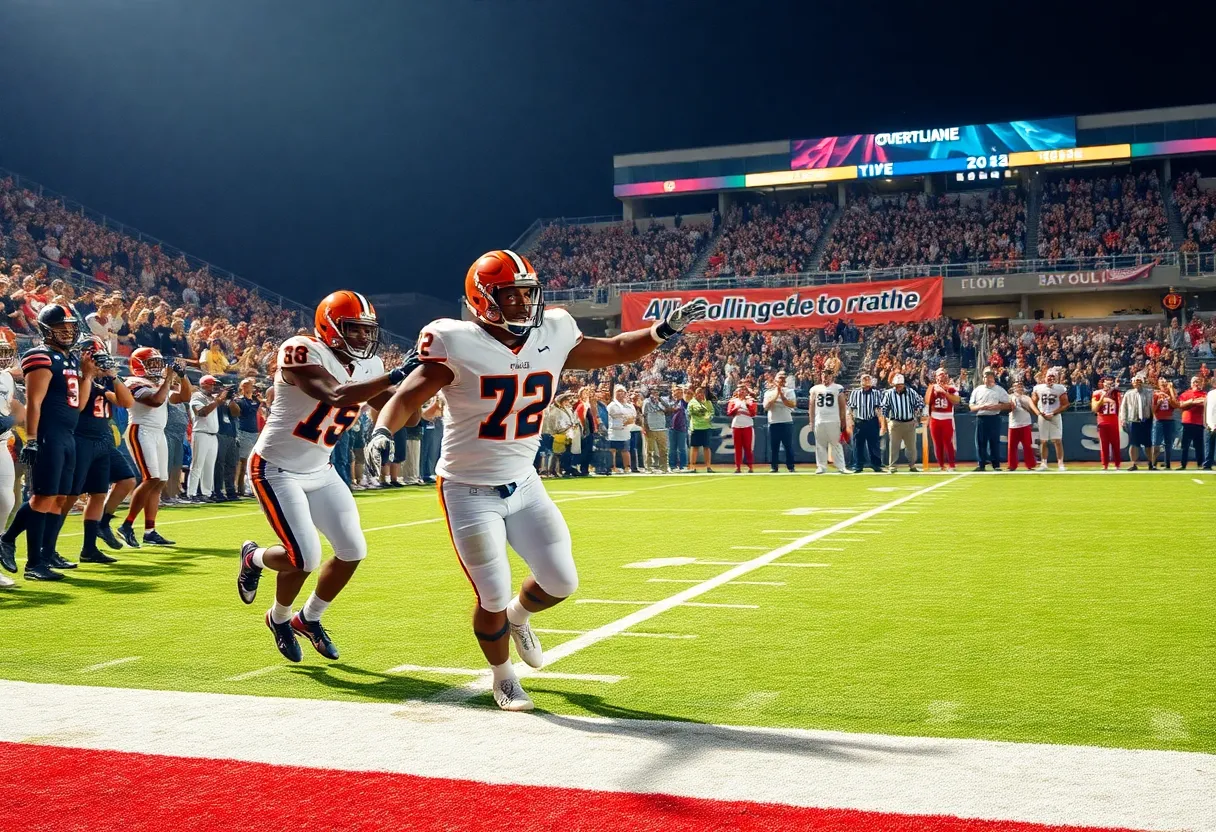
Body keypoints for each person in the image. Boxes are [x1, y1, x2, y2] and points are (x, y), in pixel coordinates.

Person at [366, 248, 707, 711]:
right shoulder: (455, 341)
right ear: (484, 299)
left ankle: (520, 617)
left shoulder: (554, 331)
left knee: (561, 581)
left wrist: (662, 330)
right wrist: (383, 430)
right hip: (468, 488)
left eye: (528, 294)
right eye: (512, 296)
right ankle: (503, 677)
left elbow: (616, 349)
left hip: (524, 482)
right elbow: (406, 395)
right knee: (490, 592)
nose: (525, 305)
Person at [236, 290, 408, 665]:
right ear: (330, 327)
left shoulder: (369, 365)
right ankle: (257, 566)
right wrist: (394, 375)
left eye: (367, 331)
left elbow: (404, 411)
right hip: (276, 468)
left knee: (353, 550)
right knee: (305, 556)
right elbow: (334, 394)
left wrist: (423, 382)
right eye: (354, 330)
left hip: (321, 468)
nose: (363, 339)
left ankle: (308, 618)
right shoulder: (301, 350)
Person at [0, 305, 94, 580]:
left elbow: (78, 406)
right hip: (48, 434)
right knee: (41, 498)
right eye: (60, 328)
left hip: (67, 434)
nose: (66, 333)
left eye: (69, 328)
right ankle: (25, 555)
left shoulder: (72, 359)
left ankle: (46, 553)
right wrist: (31, 438)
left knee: (60, 498)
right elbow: (34, 402)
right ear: (45, 330)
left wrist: (87, 375)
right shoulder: (40, 356)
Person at [53, 336, 134, 565]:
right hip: (80, 439)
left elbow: (126, 402)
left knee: (99, 493)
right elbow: (79, 402)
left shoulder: (105, 382)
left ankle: (89, 548)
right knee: (69, 496)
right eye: (94, 356)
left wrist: (114, 377)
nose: (99, 362)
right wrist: (88, 374)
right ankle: (48, 547)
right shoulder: (75, 378)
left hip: (101, 440)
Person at [120, 347, 192, 546]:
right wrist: (168, 379)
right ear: (139, 365)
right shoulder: (133, 382)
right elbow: (155, 401)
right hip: (141, 429)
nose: (157, 367)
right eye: (152, 363)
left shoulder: (159, 382)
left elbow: (184, 397)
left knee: (160, 481)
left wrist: (182, 375)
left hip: (158, 432)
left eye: (158, 363)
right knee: (151, 478)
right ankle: (126, 525)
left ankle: (150, 531)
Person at [0, 332, 23, 587]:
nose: (4, 356)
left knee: (6, 499)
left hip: (1, 442)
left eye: (5, 350)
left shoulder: (6, 376)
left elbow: (10, 408)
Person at [187, 375, 224, 502]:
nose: (215, 387)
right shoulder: (197, 396)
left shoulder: (213, 398)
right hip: (201, 433)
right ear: (205, 384)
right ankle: (191, 493)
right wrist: (217, 401)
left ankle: (206, 493)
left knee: (209, 465)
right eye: (213, 384)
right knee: (197, 465)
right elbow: (201, 412)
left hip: (213, 435)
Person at [969, 368, 1011, 472]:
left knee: (994, 441)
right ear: (983, 378)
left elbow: (1009, 404)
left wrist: (997, 406)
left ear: (993, 378)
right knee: (980, 442)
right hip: (981, 417)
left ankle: (996, 464)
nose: (988, 378)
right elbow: (971, 406)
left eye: (990, 376)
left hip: (994, 417)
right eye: (986, 376)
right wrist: (980, 407)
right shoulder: (978, 390)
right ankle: (981, 464)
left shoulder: (999, 390)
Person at [881, 373, 922, 473]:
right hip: (895, 423)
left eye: (899, 385)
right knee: (894, 446)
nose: (897, 387)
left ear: (903, 384)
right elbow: (884, 408)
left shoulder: (911, 392)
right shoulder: (889, 393)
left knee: (911, 447)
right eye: (896, 385)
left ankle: (912, 465)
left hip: (909, 423)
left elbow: (919, 403)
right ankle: (892, 466)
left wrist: (917, 417)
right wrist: (885, 423)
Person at [809, 369, 847, 474]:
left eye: (828, 375)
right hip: (819, 419)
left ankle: (841, 466)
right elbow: (811, 406)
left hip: (833, 419)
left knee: (836, 443)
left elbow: (842, 405)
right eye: (824, 375)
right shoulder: (815, 389)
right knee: (820, 444)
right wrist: (811, 421)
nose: (825, 377)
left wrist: (843, 419)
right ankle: (821, 466)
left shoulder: (838, 388)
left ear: (832, 376)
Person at [1032, 368, 1069, 471]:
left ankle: (1060, 463)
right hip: (1043, 416)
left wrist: (1054, 412)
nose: (1051, 379)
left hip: (1055, 416)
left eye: (1053, 377)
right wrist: (1040, 413)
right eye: (1049, 376)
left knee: (1057, 440)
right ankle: (1043, 463)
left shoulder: (1060, 388)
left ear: (1056, 378)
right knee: (1043, 441)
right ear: (1045, 377)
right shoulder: (1038, 388)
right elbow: (1033, 403)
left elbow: (1065, 404)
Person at [846, 372, 883, 473]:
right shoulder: (855, 392)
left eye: (868, 379)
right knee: (858, 444)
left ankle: (876, 465)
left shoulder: (876, 393)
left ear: (871, 381)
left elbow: (878, 408)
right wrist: (850, 421)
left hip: (872, 420)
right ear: (860, 381)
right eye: (864, 379)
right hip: (859, 421)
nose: (866, 381)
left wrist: (881, 422)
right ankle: (858, 465)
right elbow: (850, 408)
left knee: (874, 444)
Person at [925, 368, 960, 472]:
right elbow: (927, 401)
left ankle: (952, 465)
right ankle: (941, 465)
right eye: (939, 375)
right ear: (936, 378)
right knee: (937, 443)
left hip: (947, 417)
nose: (941, 378)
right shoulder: (932, 387)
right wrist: (932, 390)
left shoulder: (951, 388)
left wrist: (944, 392)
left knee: (948, 442)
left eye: (943, 375)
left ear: (947, 377)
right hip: (935, 418)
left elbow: (957, 400)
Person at [1119, 373, 1154, 471]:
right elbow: (1124, 407)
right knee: (1134, 444)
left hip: (1146, 420)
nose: (1137, 383)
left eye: (1139, 381)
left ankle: (1151, 463)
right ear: (1132, 383)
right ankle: (1133, 463)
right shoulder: (1129, 393)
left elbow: (1153, 405)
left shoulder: (1149, 392)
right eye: (1135, 381)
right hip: (1134, 420)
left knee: (1148, 444)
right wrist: (1123, 419)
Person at [763, 371, 797, 473]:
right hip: (774, 422)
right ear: (775, 379)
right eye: (779, 378)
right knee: (774, 447)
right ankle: (774, 466)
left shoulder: (789, 391)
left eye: (783, 378)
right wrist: (776, 394)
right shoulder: (768, 392)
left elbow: (791, 404)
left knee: (788, 446)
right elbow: (766, 406)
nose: (781, 380)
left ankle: (791, 466)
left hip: (786, 422)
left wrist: (781, 395)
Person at [235, 378, 261, 497]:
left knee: (251, 461)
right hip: (244, 431)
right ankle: (239, 487)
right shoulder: (240, 401)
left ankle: (247, 487)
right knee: (243, 461)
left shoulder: (255, 400)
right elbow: (245, 411)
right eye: (246, 385)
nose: (249, 387)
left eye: (250, 385)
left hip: (254, 432)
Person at [1091, 376, 1122, 471]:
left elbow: (1120, 407)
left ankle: (1117, 464)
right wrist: (1102, 399)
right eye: (1106, 382)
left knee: (1115, 443)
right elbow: (1094, 409)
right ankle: (1105, 464)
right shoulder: (1097, 393)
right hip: (1102, 419)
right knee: (1104, 444)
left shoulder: (1116, 393)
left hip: (1113, 419)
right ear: (1102, 383)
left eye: (1110, 382)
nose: (1108, 384)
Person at [726, 382, 756, 474]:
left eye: (743, 390)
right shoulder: (733, 401)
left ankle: (750, 466)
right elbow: (729, 413)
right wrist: (736, 408)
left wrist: (747, 405)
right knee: (738, 448)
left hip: (747, 425)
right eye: (740, 390)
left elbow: (753, 413)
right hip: (736, 426)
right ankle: (738, 467)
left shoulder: (750, 400)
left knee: (748, 447)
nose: (741, 392)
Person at [1178, 376, 1207, 470]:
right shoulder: (1185, 394)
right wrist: (1194, 401)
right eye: (1194, 382)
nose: (1196, 384)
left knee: (1199, 445)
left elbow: (1205, 403)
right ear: (1191, 383)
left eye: (1198, 382)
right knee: (1185, 445)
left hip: (1199, 423)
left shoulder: (1204, 394)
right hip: (1187, 422)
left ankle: (1200, 464)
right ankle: (1183, 464)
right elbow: (1181, 405)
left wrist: (1191, 402)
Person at [1150, 378, 1179, 470]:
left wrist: (1170, 392)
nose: (1164, 384)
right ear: (1158, 385)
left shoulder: (1172, 392)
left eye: (1165, 383)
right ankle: (1153, 463)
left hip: (1169, 420)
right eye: (1162, 383)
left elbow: (1176, 405)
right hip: (1158, 421)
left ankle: (1168, 464)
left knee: (1168, 444)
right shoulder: (1156, 394)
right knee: (1156, 444)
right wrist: (1158, 404)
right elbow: (1153, 411)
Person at [1007, 380, 1037, 471]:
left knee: (1027, 446)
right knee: (1012, 446)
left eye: (1020, 385)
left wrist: (1038, 413)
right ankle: (1012, 465)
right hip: (1013, 424)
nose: (1018, 387)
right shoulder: (1009, 397)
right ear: (1013, 388)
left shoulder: (1026, 398)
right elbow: (1007, 408)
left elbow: (1032, 407)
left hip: (1025, 424)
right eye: (1016, 386)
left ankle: (1030, 464)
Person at [606, 385, 635, 474]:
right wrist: (624, 421)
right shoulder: (611, 405)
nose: (621, 393)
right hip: (613, 431)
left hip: (625, 431)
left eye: (623, 391)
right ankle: (612, 467)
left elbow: (633, 416)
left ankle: (627, 467)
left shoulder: (629, 405)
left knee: (625, 450)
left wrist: (628, 421)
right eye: (618, 391)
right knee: (612, 450)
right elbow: (614, 417)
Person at [687, 386, 716, 473]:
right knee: (694, 447)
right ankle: (693, 467)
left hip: (706, 427)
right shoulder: (692, 402)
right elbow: (689, 413)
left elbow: (712, 413)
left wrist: (709, 417)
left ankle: (708, 467)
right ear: (695, 394)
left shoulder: (708, 403)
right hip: (696, 427)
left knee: (706, 447)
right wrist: (699, 413)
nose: (700, 395)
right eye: (698, 393)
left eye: (702, 393)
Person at [641, 388, 670, 474]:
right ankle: (648, 467)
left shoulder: (661, 401)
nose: (655, 394)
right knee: (649, 449)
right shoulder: (646, 402)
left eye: (657, 392)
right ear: (650, 393)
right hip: (650, 428)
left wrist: (660, 400)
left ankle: (664, 467)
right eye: (653, 392)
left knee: (663, 449)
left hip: (661, 427)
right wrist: (645, 427)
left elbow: (668, 408)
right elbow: (644, 415)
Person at [667, 385, 689, 472]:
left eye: (680, 392)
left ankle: (683, 465)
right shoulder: (670, 402)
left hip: (682, 428)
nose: (678, 393)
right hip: (671, 427)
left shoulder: (684, 402)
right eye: (676, 391)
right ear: (673, 393)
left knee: (682, 448)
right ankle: (672, 466)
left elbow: (686, 405)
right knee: (672, 448)